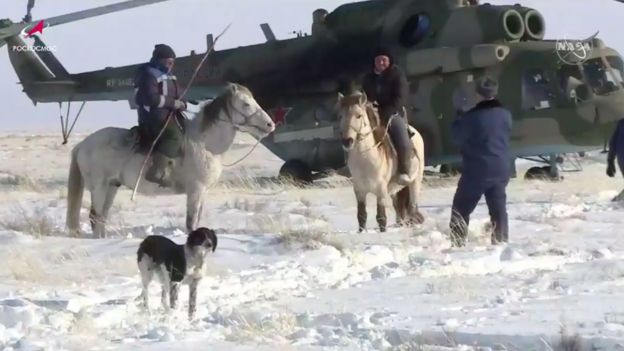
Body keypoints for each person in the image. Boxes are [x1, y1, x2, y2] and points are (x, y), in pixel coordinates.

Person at [449, 76, 512, 247]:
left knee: (461, 208)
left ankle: (457, 243)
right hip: (501, 168)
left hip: (477, 171)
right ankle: (500, 243)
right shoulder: (506, 115)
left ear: (478, 94)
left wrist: (459, 116)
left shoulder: (471, 118)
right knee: (498, 210)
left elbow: (456, 137)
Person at [134, 44, 187, 187]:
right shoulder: (148, 75)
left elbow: (178, 94)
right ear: (159, 60)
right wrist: (173, 103)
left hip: (169, 115)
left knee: (190, 129)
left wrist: (183, 102)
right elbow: (151, 99)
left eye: (172, 62)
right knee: (174, 136)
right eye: (168, 62)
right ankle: (156, 171)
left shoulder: (169, 76)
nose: (170, 65)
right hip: (153, 118)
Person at [361, 48, 413, 185]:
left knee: (402, 139)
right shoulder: (368, 78)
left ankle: (404, 170)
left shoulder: (397, 75)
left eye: (384, 59)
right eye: (378, 60)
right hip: (372, 114)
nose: (381, 62)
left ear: (389, 61)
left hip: (393, 113)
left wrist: (387, 110)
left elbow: (401, 97)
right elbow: (364, 96)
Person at [607, 118, 624, 201]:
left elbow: (612, 142)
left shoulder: (620, 123)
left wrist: (610, 160)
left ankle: (617, 201)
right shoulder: (620, 123)